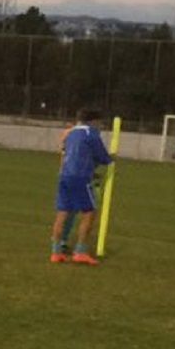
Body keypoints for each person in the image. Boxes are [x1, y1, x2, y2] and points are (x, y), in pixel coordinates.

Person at [50, 108, 114, 265]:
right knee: (89, 212)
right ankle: (80, 251)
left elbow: (73, 155)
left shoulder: (70, 133)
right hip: (80, 178)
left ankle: (56, 251)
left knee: (63, 213)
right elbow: (103, 158)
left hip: (65, 176)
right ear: (94, 121)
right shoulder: (91, 134)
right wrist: (112, 157)